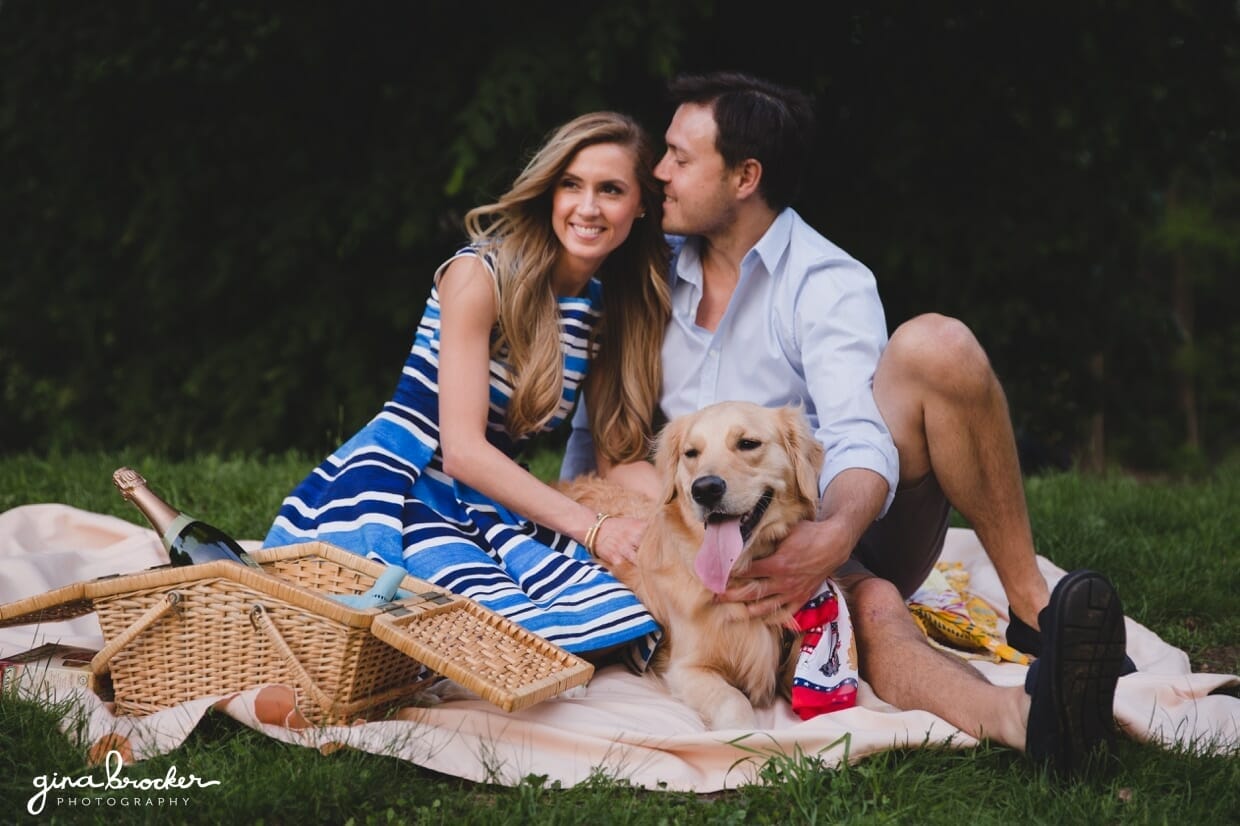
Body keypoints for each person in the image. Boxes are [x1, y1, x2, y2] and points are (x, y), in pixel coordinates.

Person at [562, 72, 1130, 776]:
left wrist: (830, 540)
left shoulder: (824, 280)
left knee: (936, 352)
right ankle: (1033, 720)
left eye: (680, 157)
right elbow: (601, 436)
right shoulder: (647, 275)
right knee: (870, 605)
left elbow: (860, 433)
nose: (659, 172)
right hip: (703, 536)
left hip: (832, 513)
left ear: (745, 176)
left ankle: (1034, 609)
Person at [265, 111, 672, 667]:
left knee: (606, 612)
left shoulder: (604, 308)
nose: (587, 207)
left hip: (485, 497)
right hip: (403, 482)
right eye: (571, 185)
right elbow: (462, 450)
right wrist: (594, 528)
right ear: (549, 192)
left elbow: (618, 459)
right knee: (483, 632)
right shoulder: (478, 275)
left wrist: (692, 515)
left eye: (611, 190)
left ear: (642, 204)